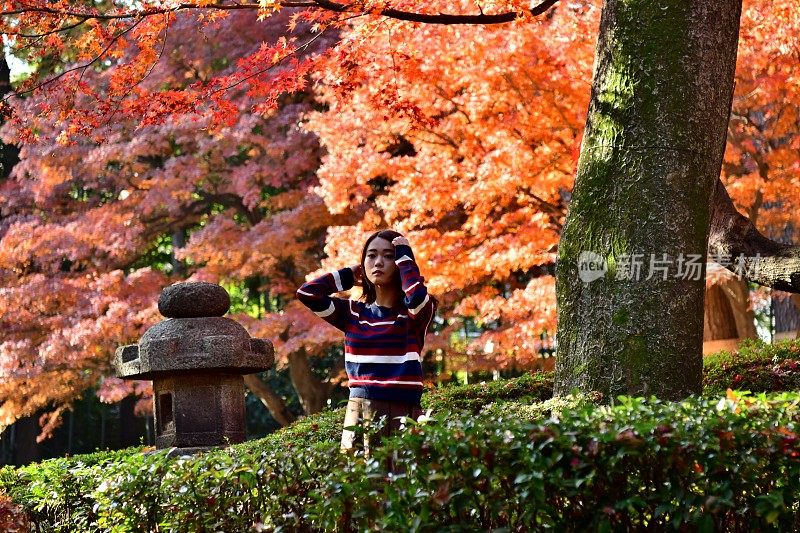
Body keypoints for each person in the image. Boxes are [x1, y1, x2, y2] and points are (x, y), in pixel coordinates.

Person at [295, 229, 437, 455]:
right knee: (362, 486)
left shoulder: (413, 315)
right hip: (360, 411)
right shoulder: (352, 313)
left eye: (389, 256)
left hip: (404, 411)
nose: (379, 262)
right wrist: (349, 276)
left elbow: (417, 297)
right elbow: (307, 293)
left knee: (403, 484)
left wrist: (405, 258)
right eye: (371, 256)